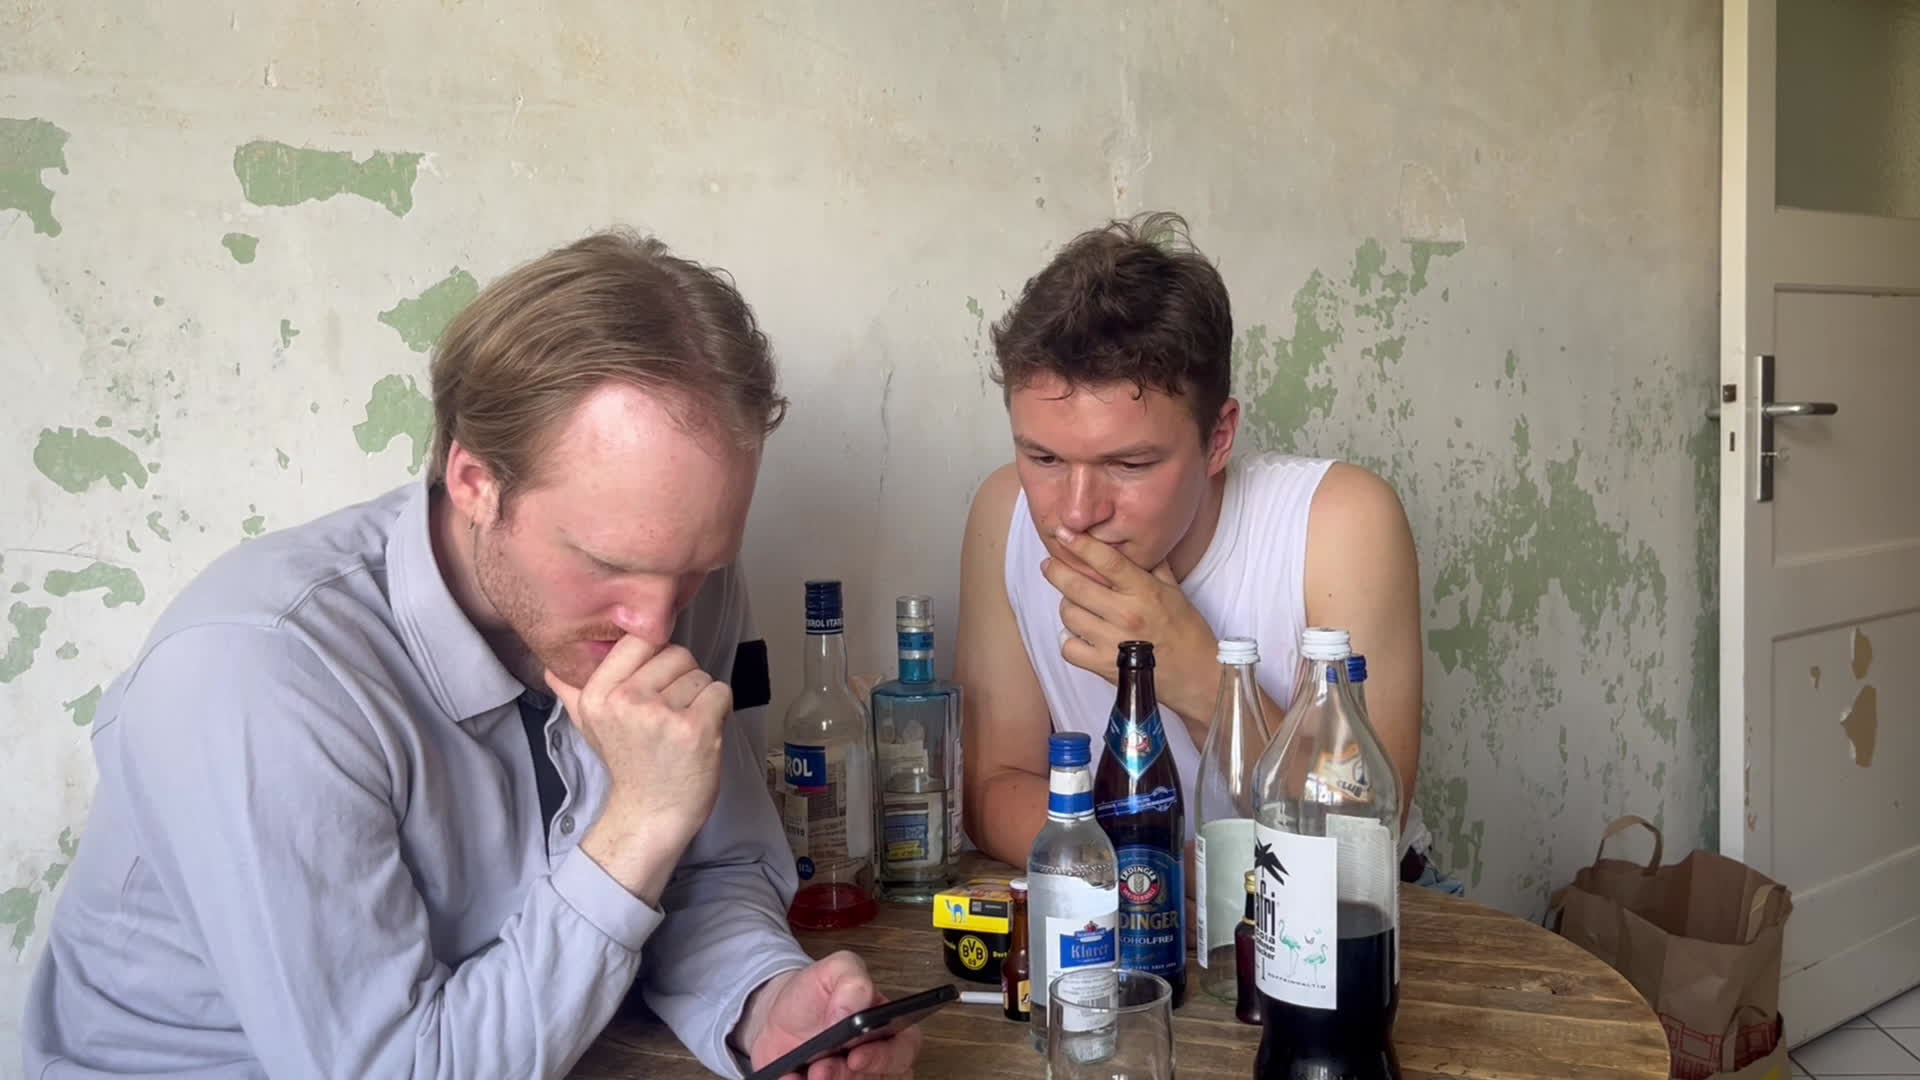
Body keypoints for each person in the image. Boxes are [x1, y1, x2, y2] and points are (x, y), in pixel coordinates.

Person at [22, 230, 922, 1079]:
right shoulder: (255, 677)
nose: (654, 628)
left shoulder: (684, 586)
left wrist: (763, 1003)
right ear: (474, 482)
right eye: (606, 564)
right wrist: (638, 823)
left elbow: (708, 870)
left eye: (695, 569)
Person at [958, 212, 1454, 892]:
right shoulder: (1005, 513)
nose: (1075, 512)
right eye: (1043, 457)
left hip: (1363, 917)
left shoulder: (1340, 523)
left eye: (1129, 464)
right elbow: (994, 787)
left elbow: (1362, 842)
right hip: (1130, 904)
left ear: (1218, 438)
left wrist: (1201, 678)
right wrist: (1163, 877)